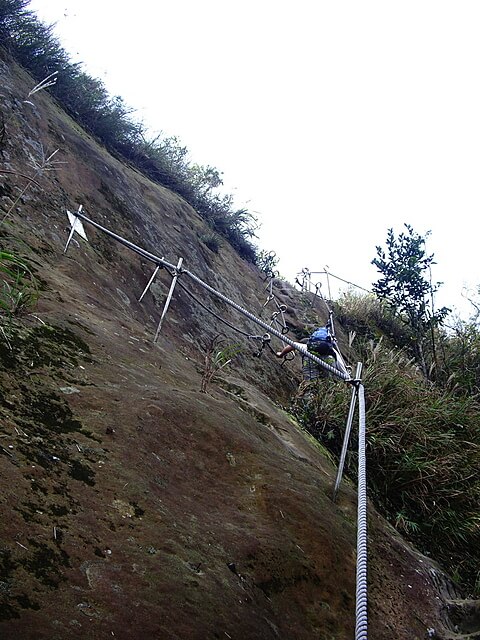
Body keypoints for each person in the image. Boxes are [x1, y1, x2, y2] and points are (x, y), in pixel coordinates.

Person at [276, 325, 348, 379]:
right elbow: (341, 368)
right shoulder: (333, 352)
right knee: (326, 381)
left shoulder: (307, 347)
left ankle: (309, 395)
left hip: (309, 361)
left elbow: (292, 345)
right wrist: (347, 378)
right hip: (328, 363)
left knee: (310, 383)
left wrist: (281, 354)